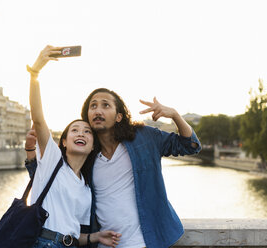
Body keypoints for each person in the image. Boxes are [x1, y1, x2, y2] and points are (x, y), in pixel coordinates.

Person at [80, 88, 202, 248]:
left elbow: (190, 146)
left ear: (119, 117)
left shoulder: (144, 137)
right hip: (104, 244)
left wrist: (174, 115)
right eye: (93, 106)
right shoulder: (84, 153)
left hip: (144, 243)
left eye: (105, 105)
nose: (98, 110)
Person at [26, 46, 121, 248]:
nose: (81, 133)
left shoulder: (86, 187)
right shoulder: (52, 161)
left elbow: (76, 233)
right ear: (64, 142)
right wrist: (35, 74)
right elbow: (39, 119)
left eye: (87, 132)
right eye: (75, 130)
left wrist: (95, 237)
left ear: (93, 145)